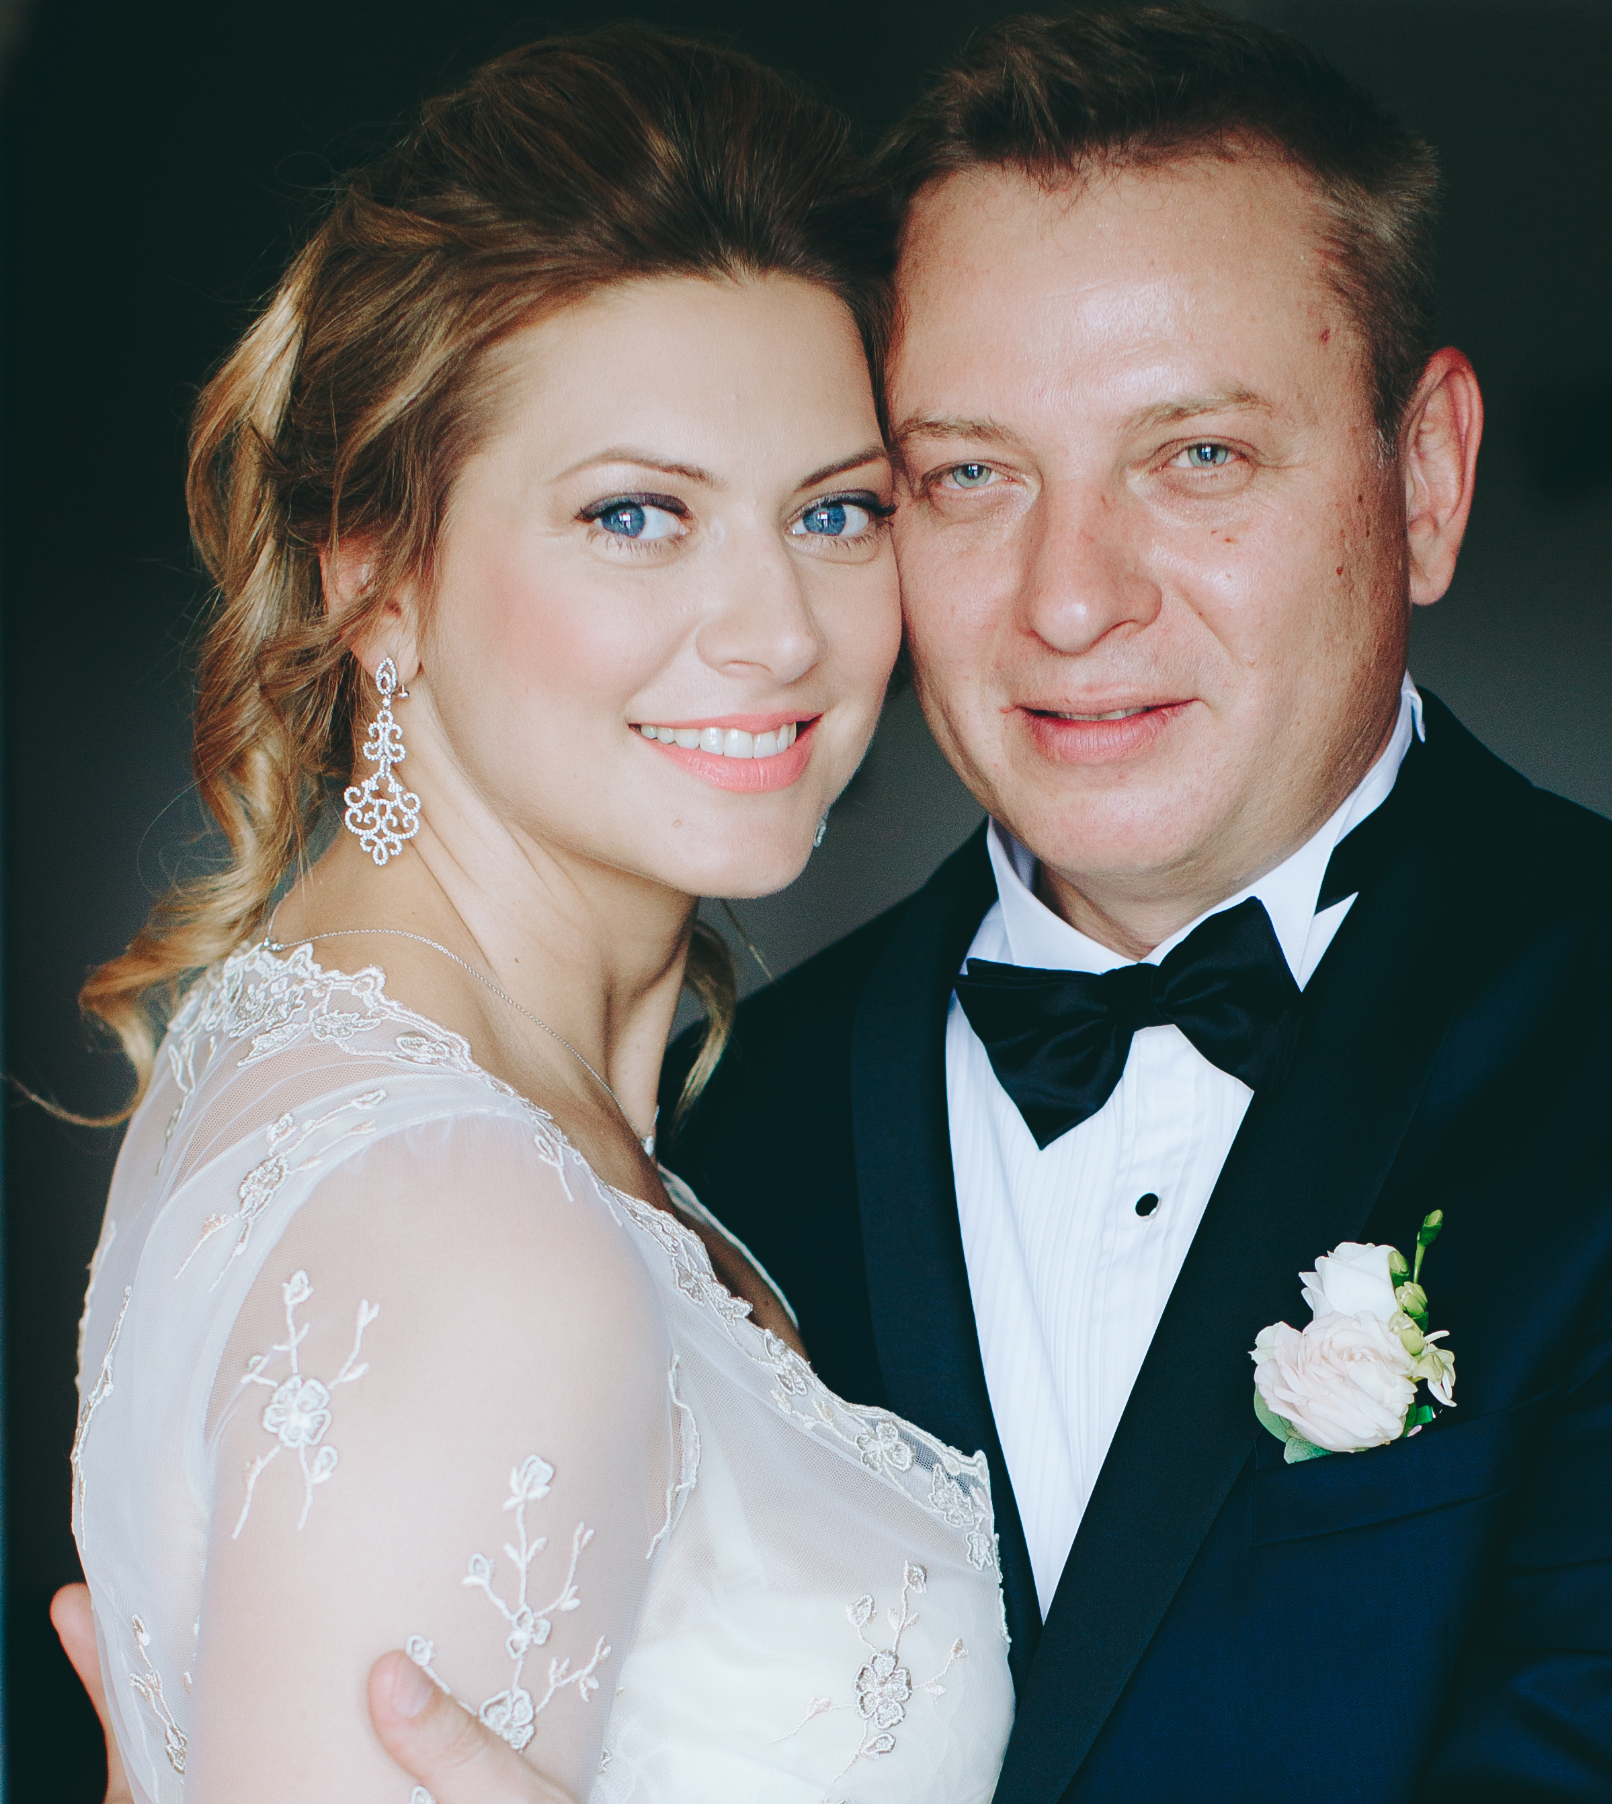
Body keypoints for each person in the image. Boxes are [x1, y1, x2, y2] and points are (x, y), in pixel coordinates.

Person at [65, 7, 1612, 1801]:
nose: (1074, 598)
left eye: (1198, 456)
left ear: (1424, 479)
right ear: (374, 572)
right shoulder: (703, 1137)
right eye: (966, 476)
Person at [60, 28, 1013, 1802]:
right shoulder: (475, 1236)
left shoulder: (361, 1070)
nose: (777, 631)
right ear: (379, 579)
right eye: (636, 515)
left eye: (835, 512)